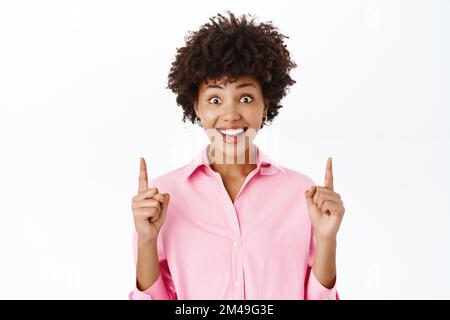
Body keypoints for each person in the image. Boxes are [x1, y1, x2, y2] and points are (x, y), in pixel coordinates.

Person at [129, 11, 345, 300]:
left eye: (245, 98)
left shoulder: (302, 194)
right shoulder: (163, 196)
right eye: (215, 100)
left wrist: (326, 239)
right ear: (197, 107)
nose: (230, 115)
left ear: (265, 106)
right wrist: (146, 240)